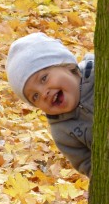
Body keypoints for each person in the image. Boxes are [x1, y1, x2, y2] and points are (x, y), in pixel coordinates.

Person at [6, 32, 94, 177]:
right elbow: (85, 163)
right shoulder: (62, 132)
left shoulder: (101, 75)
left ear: (66, 65)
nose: (43, 93)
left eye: (44, 79)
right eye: (35, 96)